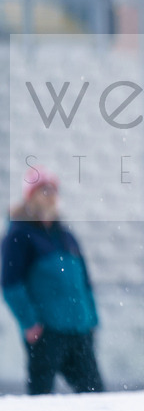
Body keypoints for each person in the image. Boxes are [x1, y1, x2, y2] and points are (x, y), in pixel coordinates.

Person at [2, 165, 105, 395]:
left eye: (53, 191)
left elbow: (85, 283)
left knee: (94, 396)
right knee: (41, 396)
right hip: (47, 332)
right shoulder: (19, 235)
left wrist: (92, 319)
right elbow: (11, 285)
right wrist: (30, 323)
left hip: (79, 330)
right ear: (30, 197)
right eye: (43, 191)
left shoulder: (66, 236)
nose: (50, 197)